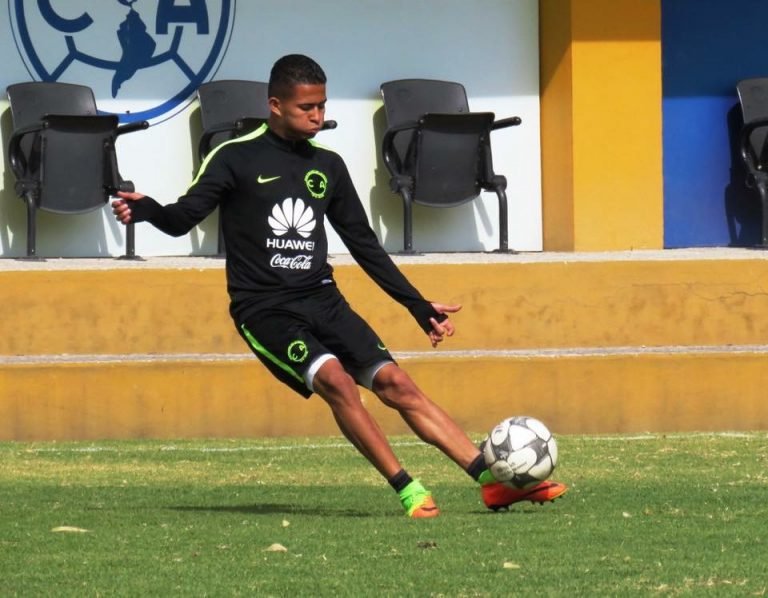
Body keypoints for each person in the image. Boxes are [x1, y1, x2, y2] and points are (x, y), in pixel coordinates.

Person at [112, 54, 567, 518]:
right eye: (306, 107)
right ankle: (408, 489)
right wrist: (147, 208)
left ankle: (490, 482)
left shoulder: (328, 165)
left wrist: (415, 304)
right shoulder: (234, 157)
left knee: (397, 383)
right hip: (264, 310)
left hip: (322, 299)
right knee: (337, 382)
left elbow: (364, 244)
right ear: (275, 104)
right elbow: (182, 218)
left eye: (322, 105)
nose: (317, 115)